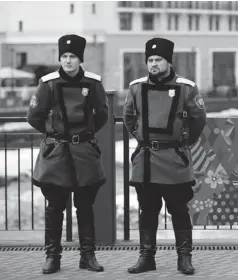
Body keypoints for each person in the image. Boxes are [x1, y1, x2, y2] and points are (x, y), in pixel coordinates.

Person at [123, 37, 207, 275]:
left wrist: (182, 143)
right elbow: (129, 118)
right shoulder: (136, 87)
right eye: (150, 60)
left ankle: (184, 258)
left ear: (168, 61)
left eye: (158, 59)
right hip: (146, 159)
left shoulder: (186, 88)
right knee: (147, 210)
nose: (153, 64)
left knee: (179, 210)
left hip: (174, 159)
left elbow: (198, 120)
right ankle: (146, 257)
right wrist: (144, 139)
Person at [27, 34, 108, 274]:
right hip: (56, 155)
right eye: (64, 56)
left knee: (85, 208)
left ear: (80, 58)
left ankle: (88, 256)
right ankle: (53, 257)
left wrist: (83, 135)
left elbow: (102, 114)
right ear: (60, 58)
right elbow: (34, 117)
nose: (68, 61)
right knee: (54, 208)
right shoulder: (48, 83)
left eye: (73, 56)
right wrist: (55, 135)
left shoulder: (93, 83)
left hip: (84, 153)